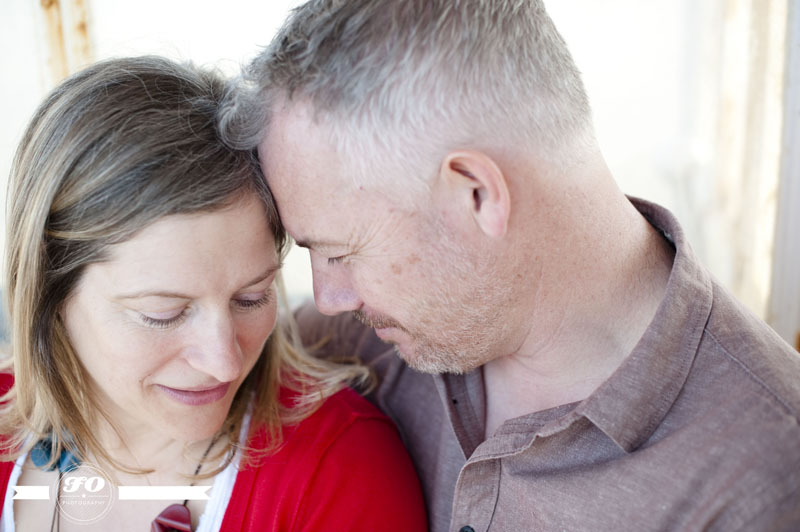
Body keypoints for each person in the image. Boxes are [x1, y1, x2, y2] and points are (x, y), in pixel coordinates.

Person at [219, 1, 800, 531]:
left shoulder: (763, 483)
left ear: (477, 194)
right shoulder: (351, 346)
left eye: (340, 252)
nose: (328, 297)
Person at [0, 56, 427, 531]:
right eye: (163, 313)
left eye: (252, 298)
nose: (224, 363)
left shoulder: (339, 472)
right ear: (50, 295)